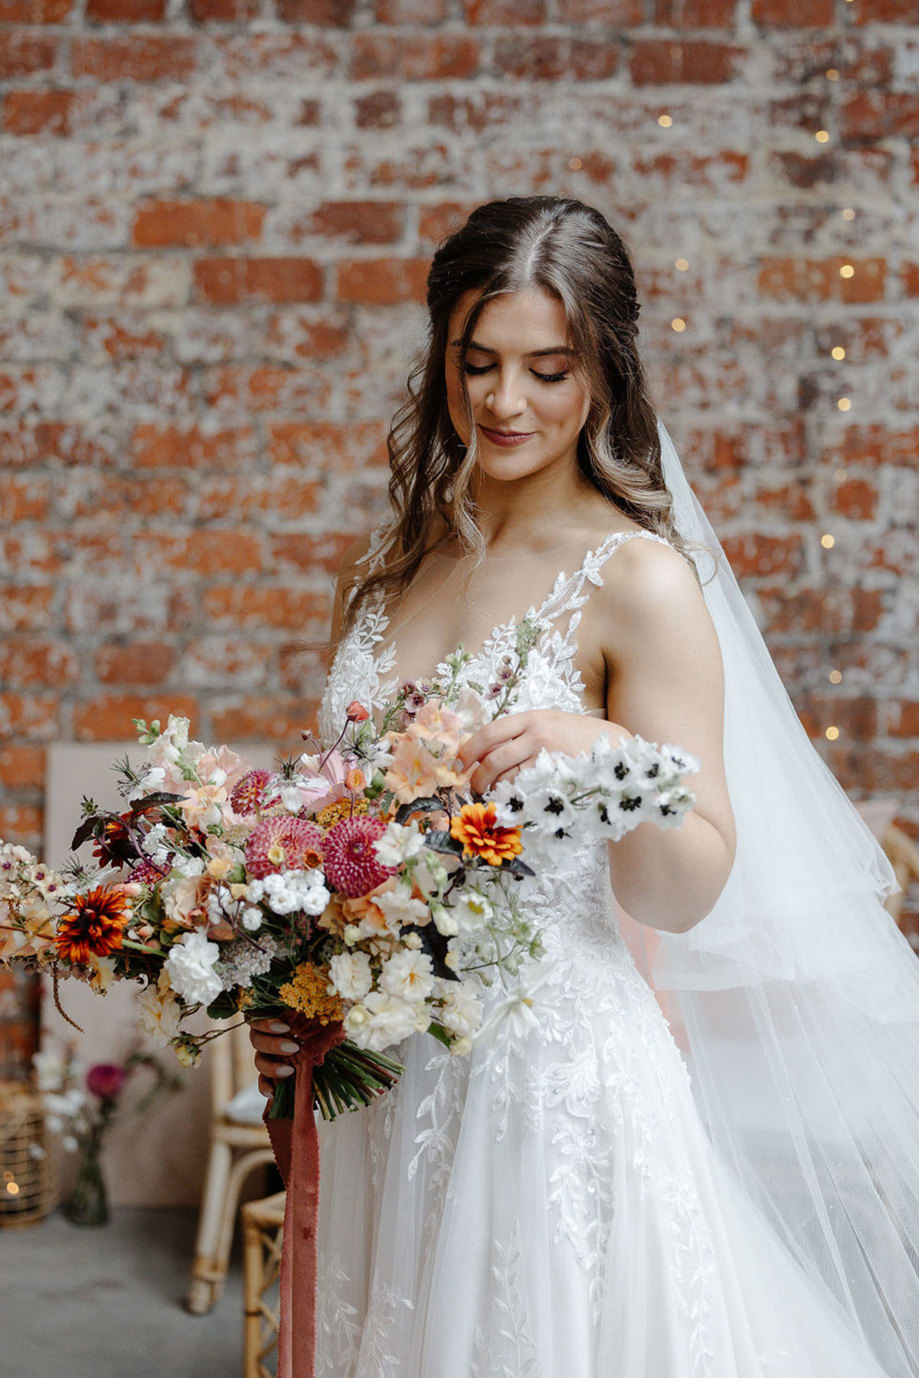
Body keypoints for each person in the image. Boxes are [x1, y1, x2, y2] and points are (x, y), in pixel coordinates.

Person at [250, 197, 919, 1377]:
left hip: (543, 1083)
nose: (506, 403)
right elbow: (347, 831)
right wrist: (296, 978)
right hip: (383, 1082)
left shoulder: (640, 581)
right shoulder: (386, 570)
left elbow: (687, 886)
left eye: (547, 369)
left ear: (603, 372)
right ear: (441, 359)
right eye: (478, 363)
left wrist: (604, 762)